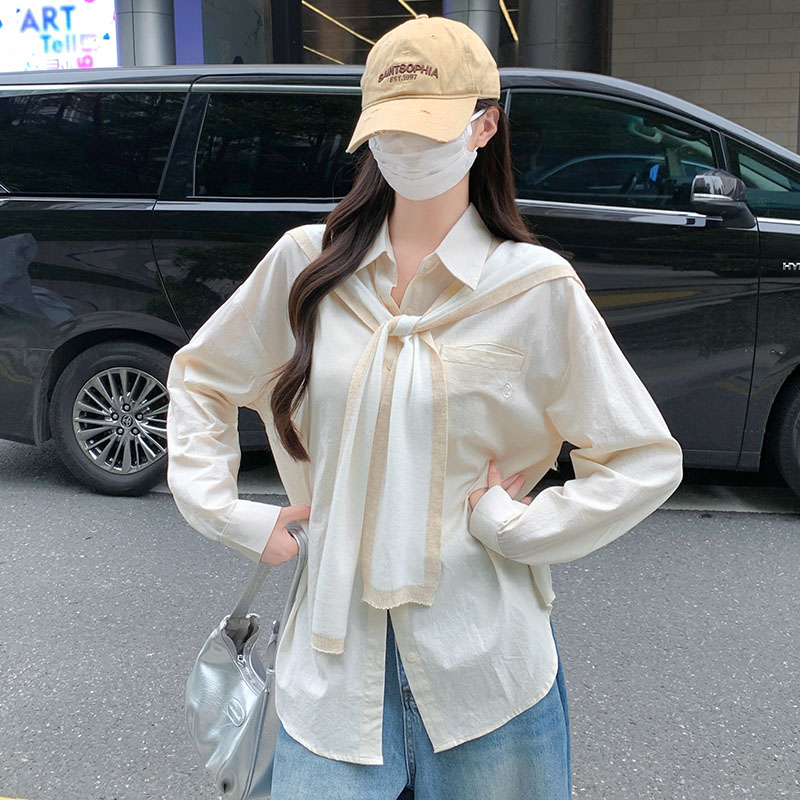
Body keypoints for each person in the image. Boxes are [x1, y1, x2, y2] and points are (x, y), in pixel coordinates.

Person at [165, 14, 684, 800]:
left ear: (484, 126)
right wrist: (228, 512)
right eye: (389, 130)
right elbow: (200, 377)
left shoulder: (533, 288)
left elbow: (643, 458)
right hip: (331, 673)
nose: (406, 148)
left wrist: (522, 527)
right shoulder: (307, 267)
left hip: (487, 666)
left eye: (428, 127)